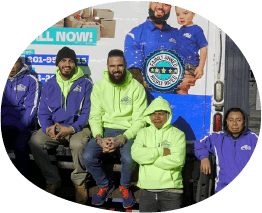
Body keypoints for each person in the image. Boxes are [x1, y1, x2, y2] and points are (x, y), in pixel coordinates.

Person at [82, 49, 147, 208]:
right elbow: (95, 116)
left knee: (129, 158)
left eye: (119, 65)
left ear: (125, 65)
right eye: (112, 66)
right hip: (105, 131)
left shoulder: (136, 88)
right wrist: (99, 137)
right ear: (107, 66)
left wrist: (123, 138)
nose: (116, 69)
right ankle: (105, 184)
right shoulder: (99, 87)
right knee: (88, 157)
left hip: (128, 131)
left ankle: (124, 186)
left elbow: (140, 120)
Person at [29, 46, 92, 204]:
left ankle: (79, 182)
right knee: (35, 141)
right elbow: (43, 112)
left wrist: (71, 128)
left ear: (75, 64)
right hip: (55, 127)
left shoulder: (86, 84)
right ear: (57, 63)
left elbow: (87, 113)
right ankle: (53, 179)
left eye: (71, 61)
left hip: (77, 128)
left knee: (78, 144)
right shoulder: (49, 84)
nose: (67, 64)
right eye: (63, 60)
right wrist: (47, 128)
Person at [124, 2, 197, 94]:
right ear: (150, 2)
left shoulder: (178, 35)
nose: (160, 7)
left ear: (171, 7)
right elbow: (134, 78)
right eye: (156, 1)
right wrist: (175, 82)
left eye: (166, 3)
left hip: (174, 102)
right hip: (145, 103)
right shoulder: (134, 35)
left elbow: (188, 75)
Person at [131, 96, 186, 212]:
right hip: (146, 192)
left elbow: (177, 160)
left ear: (168, 115)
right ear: (149, 115)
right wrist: (161, 151)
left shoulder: (178, 135)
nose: (156, 117)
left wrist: (148, 156)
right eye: (153, 114)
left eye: (160, 114)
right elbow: (135, 154)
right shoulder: (142, 133)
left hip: (171, 192)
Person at [192, 108, 258, 194]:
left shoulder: (253, 139)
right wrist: (204, 157)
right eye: (231, 120)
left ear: (244, 122)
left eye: (238, 120)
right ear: (226, 121)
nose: (234, 123)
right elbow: (197, 144)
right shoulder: (217, 138)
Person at [1, 57, 40, 180]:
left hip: (23, 127)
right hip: (3, 125)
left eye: (14, 62)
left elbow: (32, 109)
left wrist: (18, 126)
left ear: (20, 63)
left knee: (20, 146)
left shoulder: (31, 80)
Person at [175, 6, 208, 82]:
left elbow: (203, 48)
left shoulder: (197, 30)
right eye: (178, 14)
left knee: (181, 83)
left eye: (185, 13)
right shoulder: (180, 30)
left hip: (191, 66)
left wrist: (201, 67)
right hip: (179, 64)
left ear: (193, 13)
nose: (181, 17)